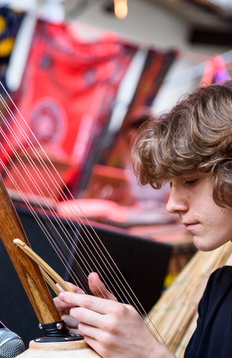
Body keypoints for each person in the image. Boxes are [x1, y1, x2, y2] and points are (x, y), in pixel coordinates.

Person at [54, 80, 232, 358]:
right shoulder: (221, 286)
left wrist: (148, 352)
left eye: (191, 181)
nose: (172, 205)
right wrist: (116, 337)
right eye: (171, 185)